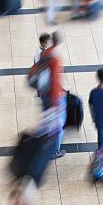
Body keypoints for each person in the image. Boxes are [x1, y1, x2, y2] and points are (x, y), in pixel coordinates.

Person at [29, 31, 67, 159]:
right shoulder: (55, 58)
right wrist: (57, 100)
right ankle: (54, 151)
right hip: (53, 97)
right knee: (57, 126)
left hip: (44, 94)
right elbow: (55, 81)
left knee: (46, 121)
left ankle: (40, 141)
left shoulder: (45, 52)